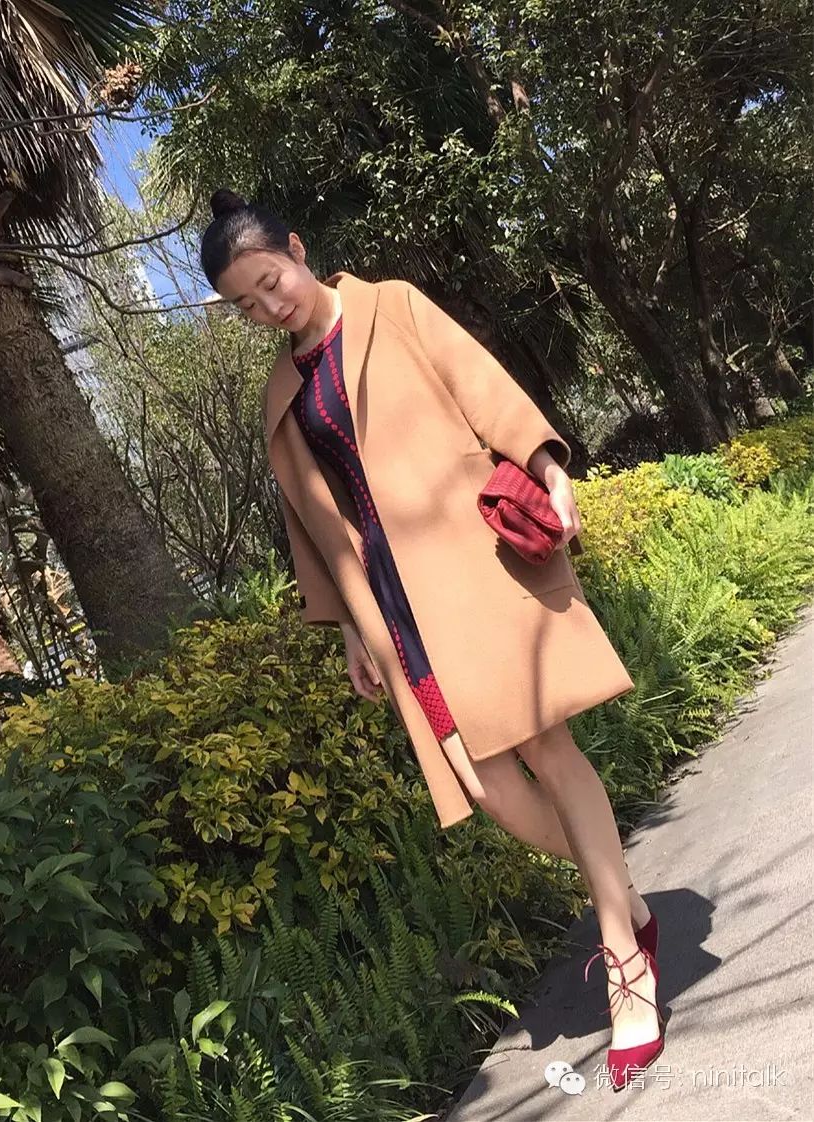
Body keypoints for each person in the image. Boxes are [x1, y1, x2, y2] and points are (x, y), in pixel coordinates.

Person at [200, 188, 666, 1093]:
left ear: (296, 249)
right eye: (245, 305)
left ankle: (625, 962)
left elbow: (480, 384)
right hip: (395, 605)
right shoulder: (280, 395)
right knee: (485, 786)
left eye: (269, 283)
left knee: (546, 748)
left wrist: (546, 466)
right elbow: (309, 524)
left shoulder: (391, 306)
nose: (267, 308)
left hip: (474, 565)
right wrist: (348, 628)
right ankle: (628, 900)